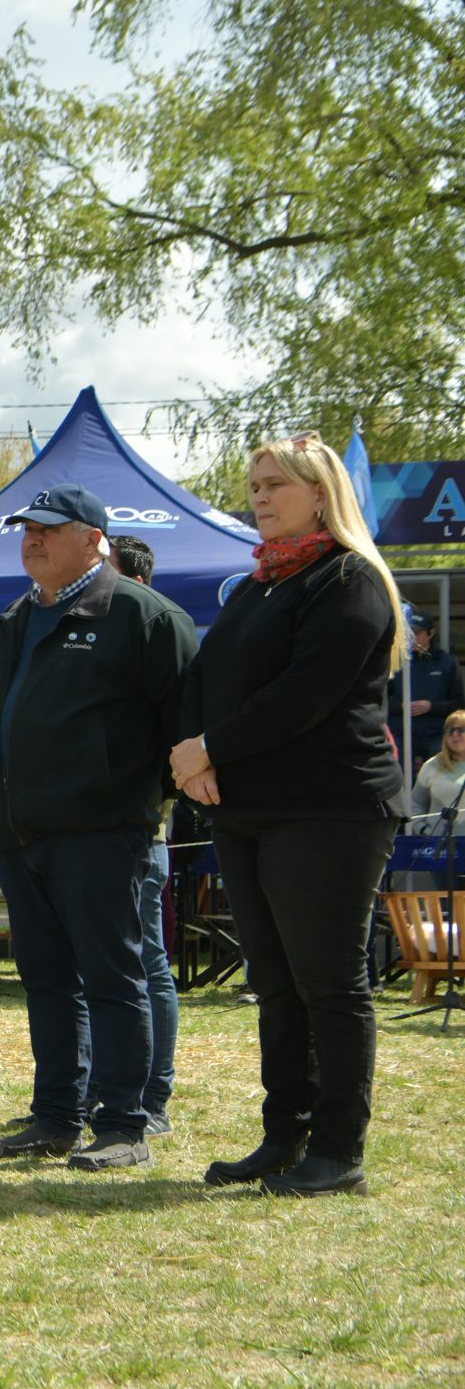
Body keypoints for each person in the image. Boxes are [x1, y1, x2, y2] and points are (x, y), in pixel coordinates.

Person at [175, 432, 408, 1197]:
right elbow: (206, 677)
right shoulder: (257, 586)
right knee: (275, 983)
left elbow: (302, 696)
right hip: (250, 807)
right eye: (255, 482)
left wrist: (210, 745)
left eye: (276, 482)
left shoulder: (350, 581)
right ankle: (286, 1135)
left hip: (332, 808)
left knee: (330, 984)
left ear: (320, 492)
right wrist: (193, 752)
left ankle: (339, 1150)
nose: (260, 494)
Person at [0, 485, 198, 1171]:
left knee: (113, 974)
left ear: (95, 538)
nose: (31, 537)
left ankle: (125, 1123)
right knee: (45, 979)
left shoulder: (142, 615)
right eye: (25, 528)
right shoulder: (14, 618)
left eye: (48, 527)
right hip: (21, 833)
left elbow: (185, 725)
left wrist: (128, 802)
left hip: (102, 834)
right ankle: (55, 1116)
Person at [110, 533, 180, 1130]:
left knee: (147, 964)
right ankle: (100, 1092)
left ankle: (152, 1097)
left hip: (142, 835)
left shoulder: (156, 638)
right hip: (91, 837)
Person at [389, 606, 461, 772]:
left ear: (430, 633)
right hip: (402, 734)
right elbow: (381, 699)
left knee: (437, 778)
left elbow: (458, 703)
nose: (412, 637)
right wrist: (401, 706)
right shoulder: (397, 661)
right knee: (399, 779)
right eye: (409, 632)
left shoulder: (447, 663)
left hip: (435, 734)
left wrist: (431, 706)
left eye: (417, 632)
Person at [410, 709, 465, 817]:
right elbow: (415, 804)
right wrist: (423, 829)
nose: (454, 734)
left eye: (461, 730)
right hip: (438, 834)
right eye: (450, 730)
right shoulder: (431, 765)